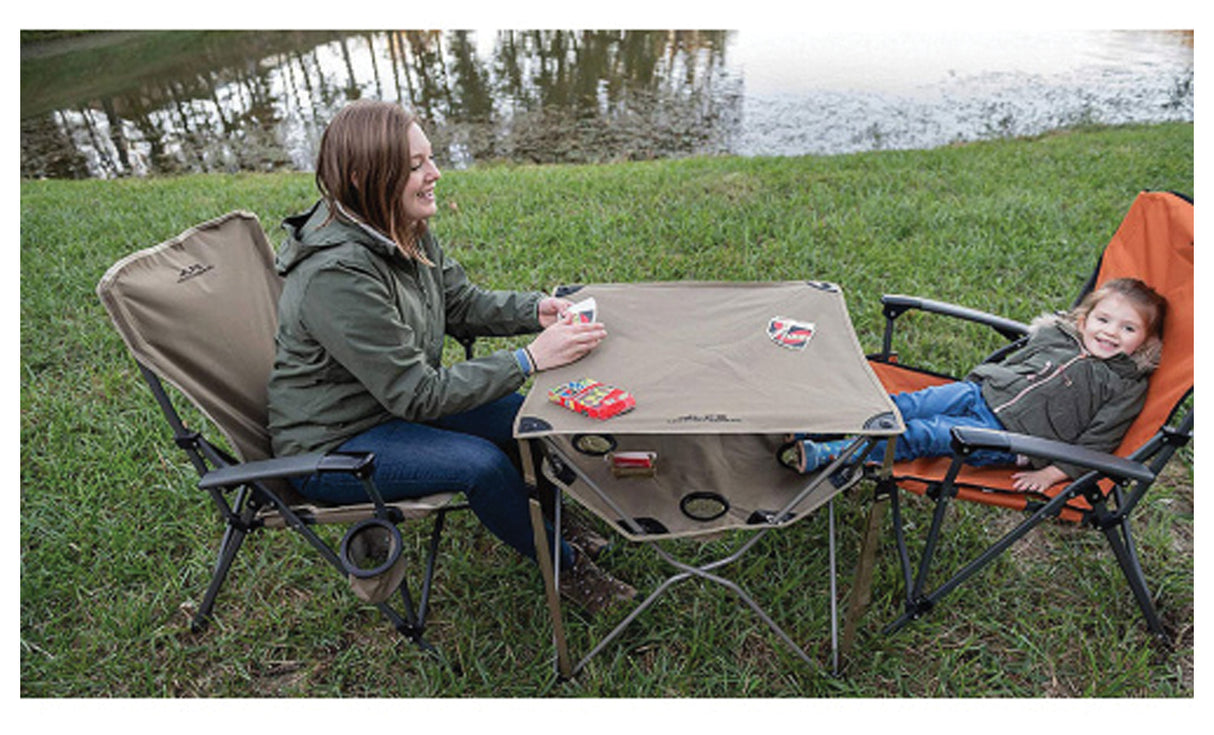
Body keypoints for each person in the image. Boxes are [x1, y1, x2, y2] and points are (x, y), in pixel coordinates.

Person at [266, 99, 634, 613]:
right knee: (480, 466)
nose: (435, 174)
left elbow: (459, 302)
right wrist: (529, 359)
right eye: (415, 167)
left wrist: (538, 311)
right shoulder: (336, 276)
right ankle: (567, 568)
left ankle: (549, 521)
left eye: (430, 159)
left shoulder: (398, 223)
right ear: (362, 178)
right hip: (334, 442)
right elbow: (416, 393)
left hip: (389, 405)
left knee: (528, 419)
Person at [789, 277, 1166, 493]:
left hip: (1009, 436)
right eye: (1104, 320)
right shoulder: (1060, 337)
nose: (1111, 333)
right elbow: (1018, 361)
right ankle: (825, 422)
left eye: (1128, 328)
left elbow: (1099, 441)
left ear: (1146, 342)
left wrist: (1052, 473)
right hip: (980, 392)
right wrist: (985, 381)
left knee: (925, 434)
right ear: (1084, 320)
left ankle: (834, 455)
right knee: (908, 405)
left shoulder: (1124, 384)